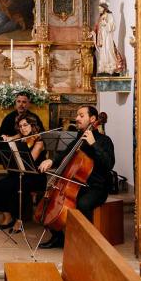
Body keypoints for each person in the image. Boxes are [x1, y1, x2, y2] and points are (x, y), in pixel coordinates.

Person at [38, 105, 115, 248]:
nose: (76, 118)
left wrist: (94, 144)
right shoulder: (79, 139)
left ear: (92, 119)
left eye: (81, 115)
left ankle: (85, 242)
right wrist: (51, 160)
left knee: (83, 204)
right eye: (77, 115)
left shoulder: (104, 140)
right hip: (76, 184)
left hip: (96, 187)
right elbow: (65, 154)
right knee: (50, 199)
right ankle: (58, 237)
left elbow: (108, 164)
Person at [0, 114, 46, 232]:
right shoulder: (21, 136)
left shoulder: (39, 141)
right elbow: (10, 138)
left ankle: (19, 219)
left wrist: (21, 146)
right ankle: (7, 217)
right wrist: (6, 138)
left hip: (34, 175)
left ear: (33, 125)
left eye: (25, 125)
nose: (23, 128)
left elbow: (29, 162)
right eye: (20, 126)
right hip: (18, 173)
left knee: (19, 188)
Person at [90, 0, 123, 75]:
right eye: (98, 9)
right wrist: (92, 33)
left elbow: (113, 26)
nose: (99, 10)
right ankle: (104, 67)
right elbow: (96, 26)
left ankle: (111, 66)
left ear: (104, 8)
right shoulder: (100, 17)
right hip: (102, 38)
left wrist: (106, 23)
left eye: (100, 8)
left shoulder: (109, 15)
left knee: (108, 50)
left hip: (108, 37)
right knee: (103, 52)